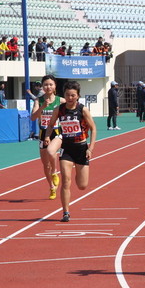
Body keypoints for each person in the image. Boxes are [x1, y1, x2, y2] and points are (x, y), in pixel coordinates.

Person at [44, 81, 97, 222]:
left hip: (81, 148)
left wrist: (90, 148)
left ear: (78, 96)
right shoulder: (59, 109)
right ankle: (65, 213)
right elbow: (50, 125)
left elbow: (93, 129)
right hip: (66, 148)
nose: (70, 98)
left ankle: (78, 172)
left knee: (82, 185)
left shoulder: (83, 110)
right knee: (65, 182)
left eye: (73, 95)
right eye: (67, 95)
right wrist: (48, 136)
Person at [30, 75, 65, 200]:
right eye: (46, 84)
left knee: (52, 152)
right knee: (45, 165)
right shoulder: (38, 101)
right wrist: (43, 106)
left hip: (56, 131)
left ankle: (55, 171)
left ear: (55, 86)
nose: (48, 87)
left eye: (51, 84)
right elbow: (33, 117)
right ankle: (51, 187)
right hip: (43, 132)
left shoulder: (61, 101)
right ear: (42, 87)